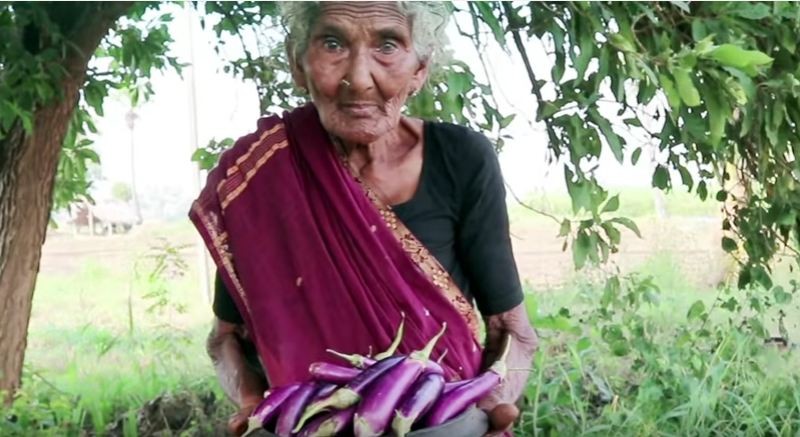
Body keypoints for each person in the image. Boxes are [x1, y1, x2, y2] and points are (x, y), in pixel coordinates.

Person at [189, 2, 538, 435]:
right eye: (332, 43)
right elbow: (225, 339)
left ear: (420, 69)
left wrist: (490, 402)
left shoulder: (462, 159)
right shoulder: (262, 178)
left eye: (387, 45)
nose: (358, 77)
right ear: (299, 64)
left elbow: (514, 331)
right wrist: (250, 402)